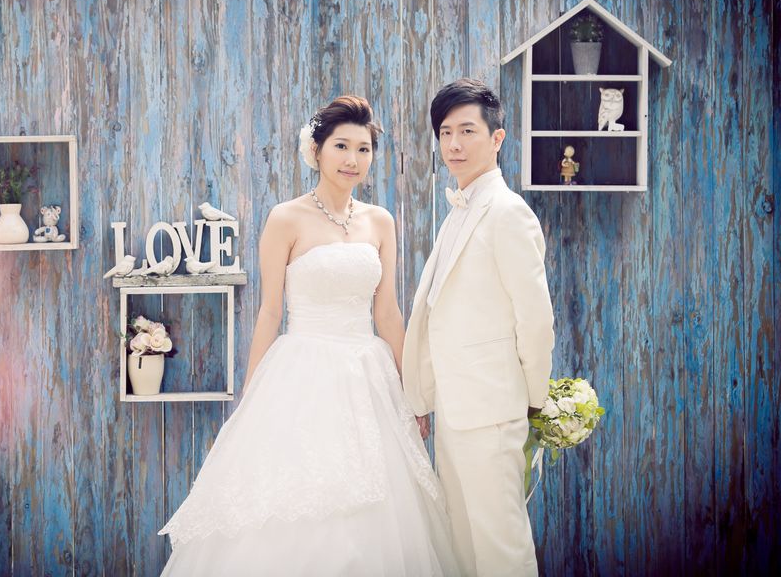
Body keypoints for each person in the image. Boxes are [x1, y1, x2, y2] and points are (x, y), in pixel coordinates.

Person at [159, 96, 458, 576]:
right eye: (341, 146)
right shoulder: (286, 218)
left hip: (369, 373)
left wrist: (413, 390)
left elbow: (387, 313)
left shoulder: (380, 221)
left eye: (363, 149)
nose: (352, 159)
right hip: (303, 369)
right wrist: (253, 394)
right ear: (316, 150)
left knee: (382, 505)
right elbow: (270, 311)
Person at [402, 79, 555, 577]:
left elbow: (536, 319)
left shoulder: (508, 213)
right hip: (456, 410)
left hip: (493, 413)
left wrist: (533, 401)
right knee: (465, 550)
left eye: (467, 131)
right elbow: (439, 317)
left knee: (502, 550)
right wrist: (422, 393)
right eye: (446, 133)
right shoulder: (459, 212)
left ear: (497, 138)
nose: (454, 144)